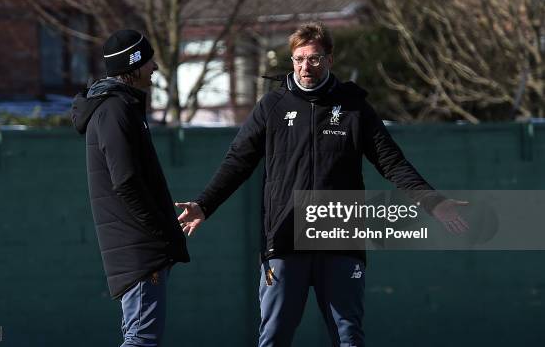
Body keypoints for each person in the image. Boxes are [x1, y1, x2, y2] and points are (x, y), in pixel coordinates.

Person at [175, 22, 467, 347]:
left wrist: (433, 201)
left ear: (329, 59)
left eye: (313, 58)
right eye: (298, 59)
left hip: (339, 240)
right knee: (273, 338)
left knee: (349, 338)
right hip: (285, 242)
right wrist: (205, 204)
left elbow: (392, 162)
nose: (304, 67)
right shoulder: (272, 107)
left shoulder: (354, 108)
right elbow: (237, 162)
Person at [71, 29, 190, 347]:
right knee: (141, 337)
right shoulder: (115, 111)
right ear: (133, 64)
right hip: (139, 249)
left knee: (139, 335)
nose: (155, 68)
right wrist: (157, 231)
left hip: (138, 247)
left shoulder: (122, 108)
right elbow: (125, 181)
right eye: (149, 60)